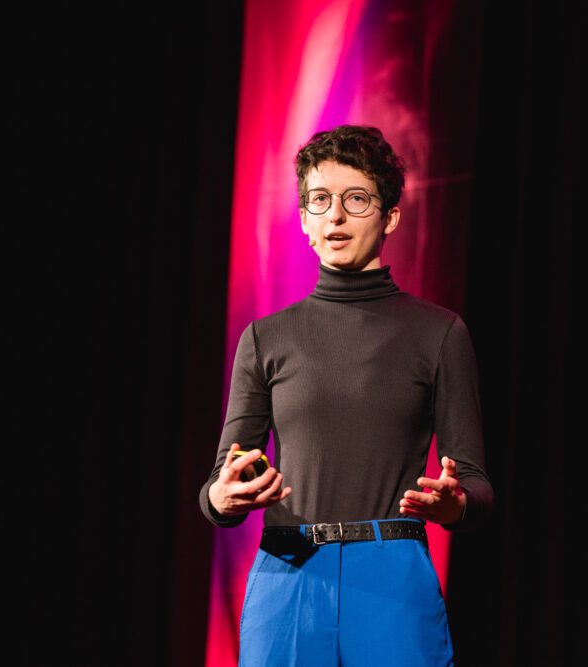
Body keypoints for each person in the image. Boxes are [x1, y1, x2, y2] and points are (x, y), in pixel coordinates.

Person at [200, 125, 492, 666]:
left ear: (390, 218)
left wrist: (455, 504)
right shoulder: (265, 338)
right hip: (287, 574)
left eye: (356, 199)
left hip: (392, 575)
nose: (334, 215)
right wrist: (222, 498)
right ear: (304, 220)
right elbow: (223, 480)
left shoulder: (439, 333)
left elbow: (475, 485)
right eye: (319, 200)